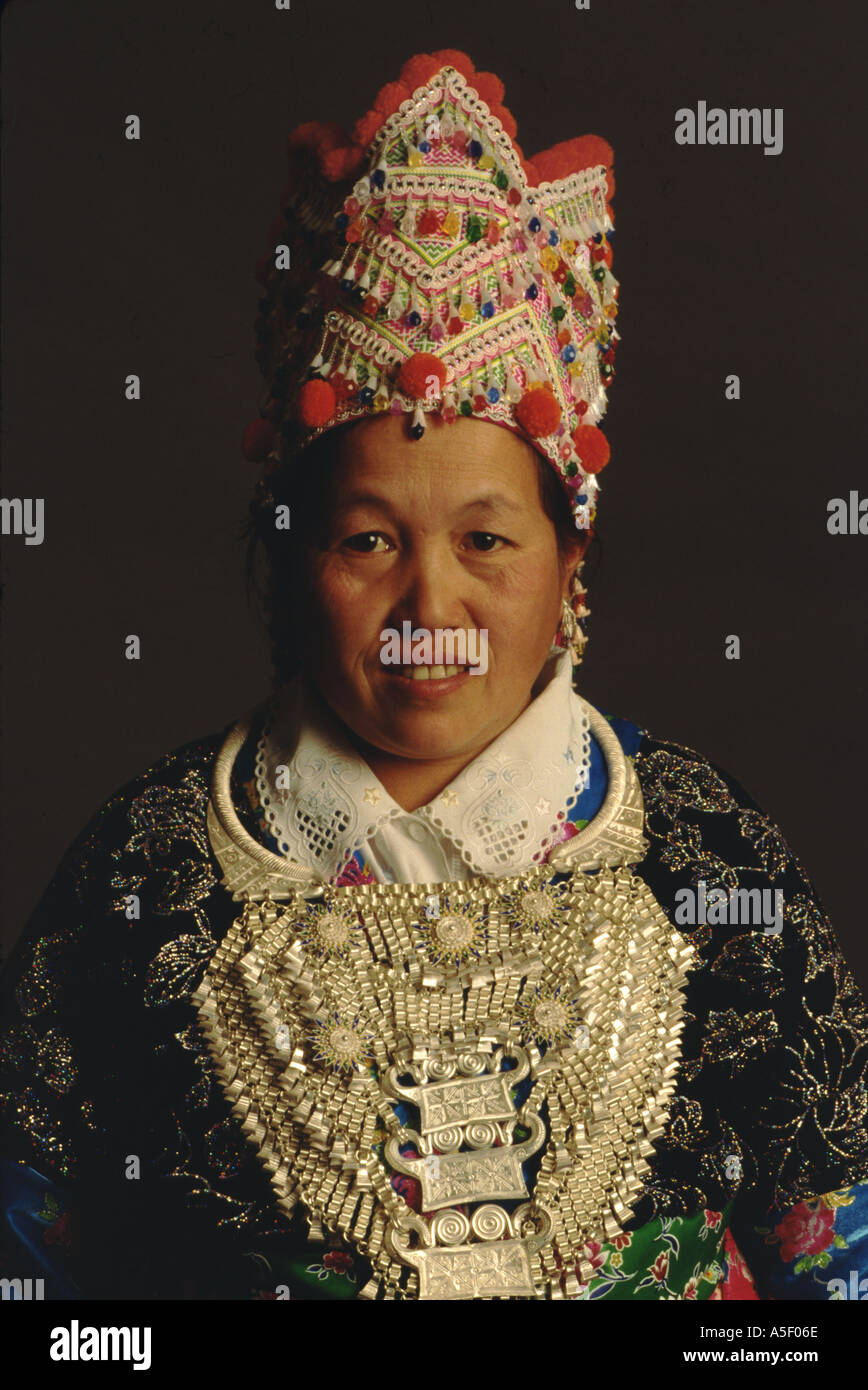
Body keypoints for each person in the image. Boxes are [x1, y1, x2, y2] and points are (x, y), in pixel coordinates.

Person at [2, 47, 867, 1303]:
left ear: (568, 558)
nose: (430, 603)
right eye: (368, 542)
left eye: (485, 541)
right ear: (294, 563)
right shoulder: (144, 872)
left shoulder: (710, 857)